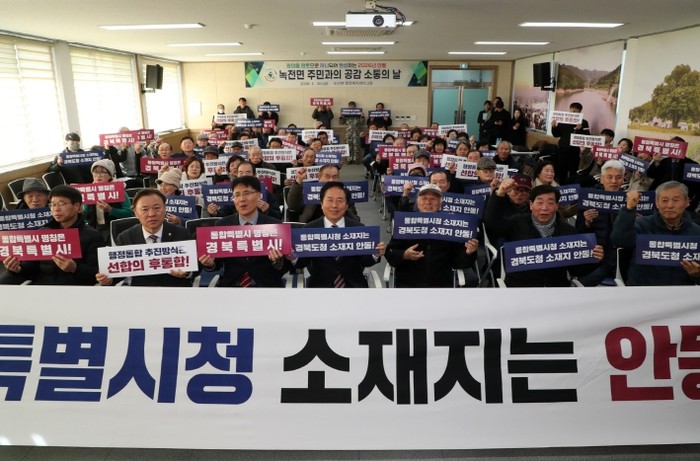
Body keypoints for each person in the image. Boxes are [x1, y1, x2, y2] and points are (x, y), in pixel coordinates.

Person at [486, 184, 603, 287]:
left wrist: (594, 258)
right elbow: (492, 224)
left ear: (557, 206)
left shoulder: (568, 231)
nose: (544, 208)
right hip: (520, 288)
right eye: (539, 202)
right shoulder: (516, 222)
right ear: (531, 205)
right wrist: (499, 193)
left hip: (555, 290)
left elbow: (577, 270)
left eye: (550, 203)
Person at [198, 176, 290, 287]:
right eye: (237, 195)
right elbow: (216, 264)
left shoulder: (274, 226)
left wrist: (277, 261)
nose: (242, 199)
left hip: (265, 287)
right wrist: (210, 264)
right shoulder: (222, 225)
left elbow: (285, 267)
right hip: (232, 286)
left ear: (258, 196)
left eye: (246, 193)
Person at [2, 185, 104, 285]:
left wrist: (75, 268)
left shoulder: (92, 236)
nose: (56, 209)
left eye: (61, 204)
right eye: (52, 205)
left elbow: (98, 274)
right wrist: (18, 268)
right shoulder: (43, 232)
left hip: (74, 290)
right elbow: (32, 268)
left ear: (77, 206)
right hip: (43, 288)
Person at [385, 184, 479, 288]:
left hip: (440, 285)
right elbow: (390, 253)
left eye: (433, 199)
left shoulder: (451, 226)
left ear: (440, 204)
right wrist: (404, 255)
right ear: (418, 202)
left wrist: (468, 252)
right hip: (408, 284)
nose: (428, 202)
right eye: (424, 198)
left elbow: (458, 263)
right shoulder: (405, 223)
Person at [96, 189, 194, 287]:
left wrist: (186, 273)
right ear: (135, 212)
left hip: (176, 291)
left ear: (165, 209)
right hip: (141, 292)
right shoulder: (125, 237)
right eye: (145, 209)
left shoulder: (182, 233)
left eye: (157, 208)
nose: (151, 214)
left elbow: (193, 268)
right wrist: (108, 279)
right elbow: (119, 271)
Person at [295, 182, 384, 287]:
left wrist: (375, 254)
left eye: (339, 201)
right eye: (330, 200)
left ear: (346, 206)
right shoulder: (310, 229)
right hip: (320, 289)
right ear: (321, 204)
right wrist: (293, 257)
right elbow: (301, 262)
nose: (334, 205)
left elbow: (366, 261)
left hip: (353, 287)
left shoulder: (358, 228)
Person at [611, 181, 700, 286]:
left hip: (682, 292)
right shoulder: (642, 225)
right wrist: (629, 209)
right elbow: (619, 241)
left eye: (676, 200)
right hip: (643, 289)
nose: (670, 205)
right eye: (664, 200)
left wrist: (697, 275)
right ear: (657, 203)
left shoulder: (696, 232)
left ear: (687, 202)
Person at [574, 160, 626, 286]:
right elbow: (578, 233)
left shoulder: (630, 201)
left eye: (618, 177)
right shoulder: (589, 199)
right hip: (596, 256)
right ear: (601, 179)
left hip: (622, 258)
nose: (614, 181)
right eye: (609, 177)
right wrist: (587, 222)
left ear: (623, 180)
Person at [287, 164, 360, 223]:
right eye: (327, 176)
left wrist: (344, 205)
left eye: (334, 177)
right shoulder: (308, 191)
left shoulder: (344, 194)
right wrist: (299, 181)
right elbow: (293, 206)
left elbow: (355, 219)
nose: (331, 180)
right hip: (311, 227)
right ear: (319, 177)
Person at [82, 159, 133, 242]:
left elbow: (129, 213)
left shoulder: (119, 190)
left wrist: (111, 210)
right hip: (95, 229)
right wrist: (80, 212)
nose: (98, 175)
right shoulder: (89, 192)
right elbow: (86, 217)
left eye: (103, 172)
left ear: (110, 175)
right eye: (95, 172)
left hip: (115, 230)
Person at [551, 102, 590, 183]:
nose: (574, 113)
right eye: (573, 111)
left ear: (580, 112)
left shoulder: (584, 122)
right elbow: (556, 135)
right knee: (561, 172)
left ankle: (572, 187)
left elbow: (587, 137)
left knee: (573, 172)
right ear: (570, 110)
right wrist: (554, 127)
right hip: (562, 150)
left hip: (575, 151)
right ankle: (561, 186)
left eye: (577, 112)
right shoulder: (563, 121)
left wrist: (579, 129)